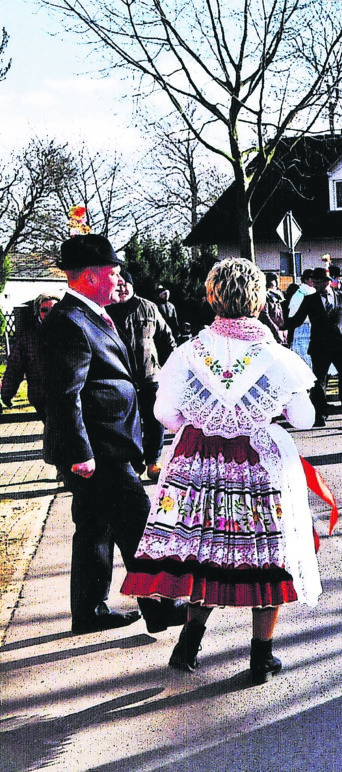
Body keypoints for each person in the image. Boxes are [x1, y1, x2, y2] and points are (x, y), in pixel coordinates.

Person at [121, 257, 326, 682]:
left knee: (206, 551)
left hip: (198, 464)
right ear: (256, 300)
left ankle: (188, 645)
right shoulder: (276, 357)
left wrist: (206, 415)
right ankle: (260, 657)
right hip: (256, 462)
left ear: (212, 295)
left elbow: (166, 415)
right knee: (263, 555)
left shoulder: (188, 353)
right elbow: (304, 418)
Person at [40, 234, 187, 635]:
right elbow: (63, 394)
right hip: (98, 451)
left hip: (105, 445)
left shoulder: (89, 315)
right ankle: (159, 607)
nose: (118, 278)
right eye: (112, 272)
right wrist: (80, 451)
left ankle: (89, 611)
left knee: (95, 528)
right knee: (140, 524)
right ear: (89, 277)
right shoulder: (70, 322)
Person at [285, 267, 342, 427]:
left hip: (340, 345)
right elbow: (297, 320)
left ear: (327, 282)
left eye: (319, 282)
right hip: (319, 346)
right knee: (319, 383)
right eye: (314, 282)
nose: (316, 285)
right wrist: (281, 325)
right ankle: (320, 416)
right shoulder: (310, 299)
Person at [108, 282, 176, 482]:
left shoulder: (148, 307)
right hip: (121, 379)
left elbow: (166, 339)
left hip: (150, 376)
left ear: (132, 286)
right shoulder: (105, 310)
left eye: (125, 284)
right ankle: (134, 464)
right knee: (128, 424)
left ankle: (153, 462)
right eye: (117, 285)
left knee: (155, 421)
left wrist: (169, 368)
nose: (122, 289)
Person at [1, 293, 58, 419]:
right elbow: (15, 368)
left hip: (68, 394)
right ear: (38, 312)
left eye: (53, 309)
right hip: (41, 395)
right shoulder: (28, 338)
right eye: (44, 310)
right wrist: (7, 393)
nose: (49, 313)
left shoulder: (71, 332)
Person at [287, 269, 316, 369]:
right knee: (305, 361)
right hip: (303, 329)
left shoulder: (311, 292)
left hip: (312, 330)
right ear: (307, 280)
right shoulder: (300, 294)